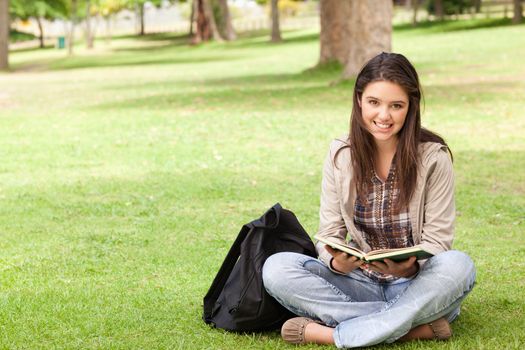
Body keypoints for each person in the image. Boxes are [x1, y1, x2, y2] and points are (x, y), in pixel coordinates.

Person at [262, 52, 476, 348]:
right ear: (360, 99)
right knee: (277, 268)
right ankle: (414, 326)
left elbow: (438, 242)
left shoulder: (433, 157)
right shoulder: (341, 154)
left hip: (414, 284)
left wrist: (409, 269)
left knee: (459, 266)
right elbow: (328, 234)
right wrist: (337, 264)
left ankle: (332, 334)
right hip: (357, 281)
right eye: (374, 102)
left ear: (410, 107)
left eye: (396, 106)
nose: (384, 116)